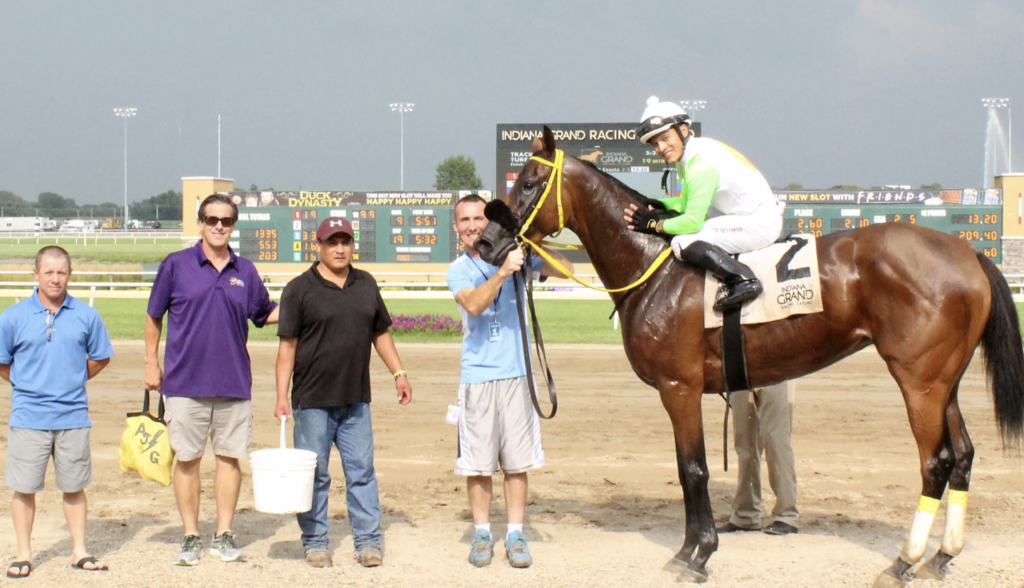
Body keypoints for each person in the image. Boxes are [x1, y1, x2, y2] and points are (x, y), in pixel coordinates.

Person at [145, 193, 280, 566]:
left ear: (233, 225)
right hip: (184, 384)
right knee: (187, 460)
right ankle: (191, 534)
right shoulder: (176, 265)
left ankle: (223, 534)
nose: (219, 225)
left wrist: (309, 301)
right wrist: (150, 363)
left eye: (226, 220)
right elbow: (153, 315)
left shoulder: (245, 271)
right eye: (212, 219)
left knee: (229, 459)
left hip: (234, 384)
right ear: (200, 222)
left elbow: (265, 313)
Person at [274, 217, 412, 569]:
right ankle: (316, 541)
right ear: (317, 246)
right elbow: (286, 348)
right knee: (316, 475)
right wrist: (281, 397)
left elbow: (380, 333)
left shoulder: (365, 284)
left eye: (345, 242)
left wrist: (399, 372)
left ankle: (368, 541)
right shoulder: (298, 289)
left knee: (362, 472)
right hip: (312, 402)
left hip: (355, 401)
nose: (339, 249)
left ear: (353, 246)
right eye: (331, 242)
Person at [445, 194, 574, 569]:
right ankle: (483, 533)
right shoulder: (459, 269)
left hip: (518, 376)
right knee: (478, 465)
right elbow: (473, 305)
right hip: (478, 378)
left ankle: (515, 533)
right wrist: (503, 271)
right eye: (464, 220)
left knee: (517, 463)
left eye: (479, 218)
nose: (472, 225)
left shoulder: (518, 258)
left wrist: (530, 243)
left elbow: (566, 270)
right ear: (456, 228)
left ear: (490, 223)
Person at [0, 246, 114, 578]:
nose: (55, 278)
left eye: (61, 272)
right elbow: (3, 362)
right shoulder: (13, 317)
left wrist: (74, 380)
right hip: (28, 417)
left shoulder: (86, 315)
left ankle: (79, 550)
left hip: (73, 416)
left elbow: (101, 356)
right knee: (24, 488)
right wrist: (27, 384)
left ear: (70, 274)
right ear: (35, 274)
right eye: (48, 272)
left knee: (74, 486)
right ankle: (23, 553)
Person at [625, 96, 785, 311]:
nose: (661, 147)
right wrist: (655, 203)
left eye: (665, 138)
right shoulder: (694, 153)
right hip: (754, 218)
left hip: (759, 224)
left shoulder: (699, 164)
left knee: (681, 242)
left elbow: (692, 222)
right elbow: (683, 203)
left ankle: (743, 280)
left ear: (682, 130)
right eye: (655, 144)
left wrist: (654, 225)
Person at [717, 383, 799, 535]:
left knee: (776, 439)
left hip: (777, 367)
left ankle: (787, 514)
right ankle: (746, 513)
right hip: (740, 368)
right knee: (744, 441)